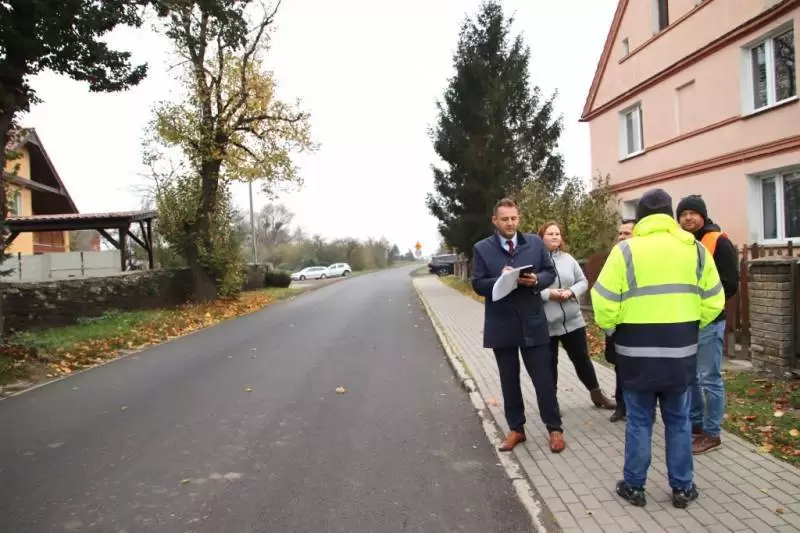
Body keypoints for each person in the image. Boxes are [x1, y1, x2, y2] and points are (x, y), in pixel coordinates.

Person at [591, 188, 725, 509]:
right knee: (678, 421)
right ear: (670, 216)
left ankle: (634, 486)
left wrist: (615, 327)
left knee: (639, 420)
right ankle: (682, 488)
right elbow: (714, 301)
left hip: (635, 354)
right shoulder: (695, 250)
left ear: (640, 218)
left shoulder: (625, 251)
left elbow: (603, 302)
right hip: (681, 352)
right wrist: (690, 326)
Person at [471, 198, 565, 453]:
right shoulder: (482, 248)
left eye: (514, 218)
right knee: (509, 380)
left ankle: (554, 429)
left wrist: (536, 280)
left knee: (544, 380)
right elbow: (477, 283)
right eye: (505, 219)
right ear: (495, 221)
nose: (510, 223)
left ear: (518, 218)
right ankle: (516, 429)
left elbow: (549, 272)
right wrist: (500, 280)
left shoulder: (534, 243)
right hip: (501, 324)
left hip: (532, 323)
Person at [676, 195, 739, 454]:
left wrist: (706, 304)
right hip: (687, 319)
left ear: (703, 215)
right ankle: (696, 425)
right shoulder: (682, 243)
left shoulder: (718, 241)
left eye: (692, 213)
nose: (688, 218)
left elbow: (730, 284)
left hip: (710, 321)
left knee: (709, 378)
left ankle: (712, 433)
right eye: (683, 214)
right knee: (691, 377)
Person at [538, 221, 615, 410]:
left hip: (573, 321)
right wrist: (549, 294)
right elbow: (530, 289)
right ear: (541, 238)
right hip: (547, 323)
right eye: (550, 234)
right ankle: (551, 404)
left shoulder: (568, 259)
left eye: (557, 234)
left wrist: (571, 291)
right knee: (549, 364)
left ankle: (597, 395)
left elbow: (582, 281)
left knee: (582, 360)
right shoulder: (535, 261)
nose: (555, 237)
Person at [605, 218, 635, 422]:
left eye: (627, 233)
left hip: (637, 321)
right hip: (617, 321)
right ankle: (621, 406)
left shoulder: (642, 259)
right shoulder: (614, 258)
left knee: (636, 367)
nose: (621, 237)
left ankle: (640, 408)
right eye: (620, 233)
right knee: (619, 365)